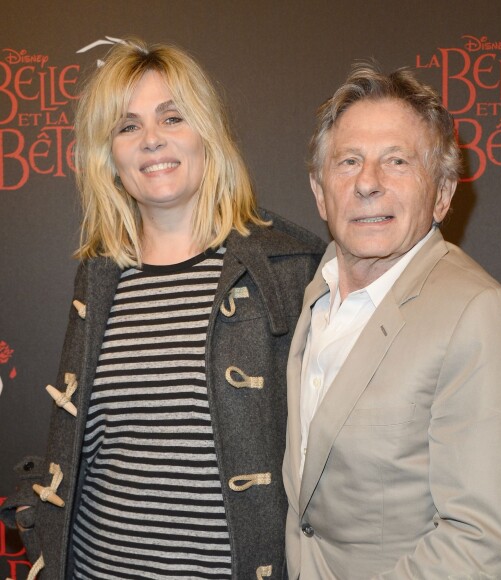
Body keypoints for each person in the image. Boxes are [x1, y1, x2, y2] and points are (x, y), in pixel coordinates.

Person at [0, 38, 324, 579]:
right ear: (110, 156)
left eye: (172, 118)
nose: (151, 140)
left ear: (208, 135)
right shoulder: (99, 277)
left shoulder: (287, 267)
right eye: (127, 127)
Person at [282, 63, 501, 579]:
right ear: (319, 191)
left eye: (397, 161)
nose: (368, 183)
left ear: (442, 194)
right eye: (348, 161)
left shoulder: (479, 313)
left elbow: (483, 543)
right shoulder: (315, 290)